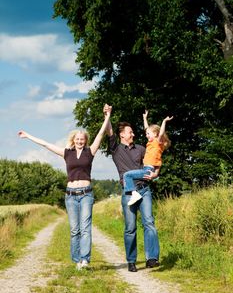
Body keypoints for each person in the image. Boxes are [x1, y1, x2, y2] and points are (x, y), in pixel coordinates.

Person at [18, 105, 112, 270]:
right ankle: (77, 260)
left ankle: (85, 260)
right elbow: (46, 144)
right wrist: (28, 136)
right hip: (70, 195)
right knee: (75, 229)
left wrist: (107, 116)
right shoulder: (66, 153)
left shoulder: (90, 151)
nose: (80, 141)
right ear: (73, 139)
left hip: (86, 195)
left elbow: (101, 134)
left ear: (85, 140)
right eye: (77, 139)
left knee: (85, 228)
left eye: (82, 139)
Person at [104, 104, 160, 272]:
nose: (133, 134)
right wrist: (107, 115)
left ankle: (152, 258)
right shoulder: (115, 148)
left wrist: (155, 175)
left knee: (149, 222)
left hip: (144, 190)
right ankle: (131, 261)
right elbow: (109, 131)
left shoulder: (141, 149)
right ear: (122, 135)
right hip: (129, 193)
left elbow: (154, 163)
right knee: (130, 228)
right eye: (130, 132)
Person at [124, 111, 173, 206]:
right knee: (130, 176)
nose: (146, 135)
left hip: (148, 170)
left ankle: (134, 194)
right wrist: (145, 118)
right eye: (146, 134)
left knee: (127, 175)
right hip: (146, 170)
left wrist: (164, 121)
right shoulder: (151, 142)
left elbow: (161, 132)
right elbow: (147, 128)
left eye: (148, 134)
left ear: (155, 134)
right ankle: (135, 193)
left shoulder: (157, 142)